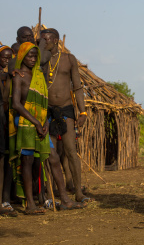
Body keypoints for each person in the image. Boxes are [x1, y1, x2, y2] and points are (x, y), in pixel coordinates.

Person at [9, 42, 84, 213]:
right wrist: (36, 122)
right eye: (29, 55)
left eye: (35, 56)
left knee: (54, 159)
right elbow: (16, 104)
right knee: (27, 162)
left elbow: (45, 103)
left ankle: (65, 199)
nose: (33, 59)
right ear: (22, 56)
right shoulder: (18, 76)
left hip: (41, 123)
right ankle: (31, 204)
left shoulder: (39, 76)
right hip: (26, 123)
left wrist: (45, 122)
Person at [40, 28, 90, 203]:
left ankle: (78, 192)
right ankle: (50, 193)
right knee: (49, 152)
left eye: (45, 40)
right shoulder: (40, 61)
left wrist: (82, 111)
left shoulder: (69, 59)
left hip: (66, 108)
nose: (43, 43)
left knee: (70, 151)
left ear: (55, 40)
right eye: (41, 40)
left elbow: (77, 87)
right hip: (47, 110)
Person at [0, 44, 17, 217]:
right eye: (3, 57)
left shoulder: (7, 76)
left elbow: (6, 99)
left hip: (4, 121)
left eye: (8, 57)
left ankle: (5, 199)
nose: (6, 60)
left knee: (6, 160)